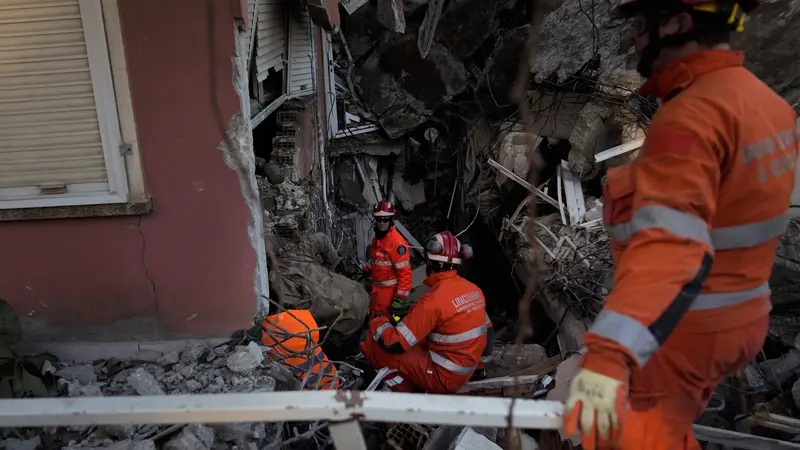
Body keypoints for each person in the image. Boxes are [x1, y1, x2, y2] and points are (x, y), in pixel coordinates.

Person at [564, 1, 799, 449]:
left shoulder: (690, 119)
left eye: (639, 23)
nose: (632, 37)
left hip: (689, 326)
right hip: (743, 315)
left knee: (632, 438)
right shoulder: (766, 104)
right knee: (670, 427)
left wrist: (609, 358)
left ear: (676, 23)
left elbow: (670, 252)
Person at [360, 231, 490, 393]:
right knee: (418, 340)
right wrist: (479, 368)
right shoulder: (474, 290)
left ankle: (401, 393)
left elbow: (395, 343)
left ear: (430, 263)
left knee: (370, 342)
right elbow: (487, 335)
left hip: (443, 378)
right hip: (465, 369)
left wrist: (378, 320)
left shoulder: (433, 301)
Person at [363, 200, 413, 318]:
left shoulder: (396, 243)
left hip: (389, 292)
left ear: (391, 220)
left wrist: (400, 298)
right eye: (379, 220)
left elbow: (405, 273)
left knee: (382, 322)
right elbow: (377, 260)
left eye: (385, 220)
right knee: (374, 318)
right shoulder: (378, 239)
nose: (382, 223)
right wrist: (366, 270)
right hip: (377, 289)